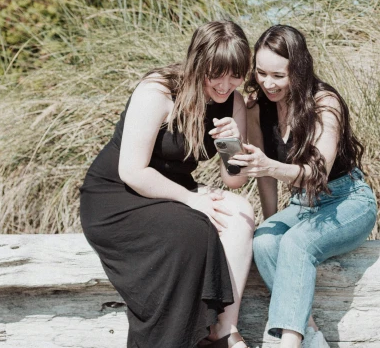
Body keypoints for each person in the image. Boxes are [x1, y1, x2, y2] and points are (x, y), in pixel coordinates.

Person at [80, 20, 254, 348]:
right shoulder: (158, 92)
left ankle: (224, 330)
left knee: (241, 214)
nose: (224, 85)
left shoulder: (234, 102)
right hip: (117, 195)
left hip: (172, 189)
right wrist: (192, 201)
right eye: (216, 73)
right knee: (192, 230)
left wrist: (232, 147)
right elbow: (132, 171)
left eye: (235, 75)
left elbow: (235, 181)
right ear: (197, 63)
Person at [229, 25, 377, 348]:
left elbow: (316, 173)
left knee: (296, 243)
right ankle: (309, 335)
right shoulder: (258, 108)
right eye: (261, 72)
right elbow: (265, 175)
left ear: (298, 69)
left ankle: (285, 343)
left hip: (347, 199)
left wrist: (269, 165)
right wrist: (271, 223)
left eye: (278, 76)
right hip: (303, 205)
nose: (268, 83)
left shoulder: (325, 104)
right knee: (265, 242)